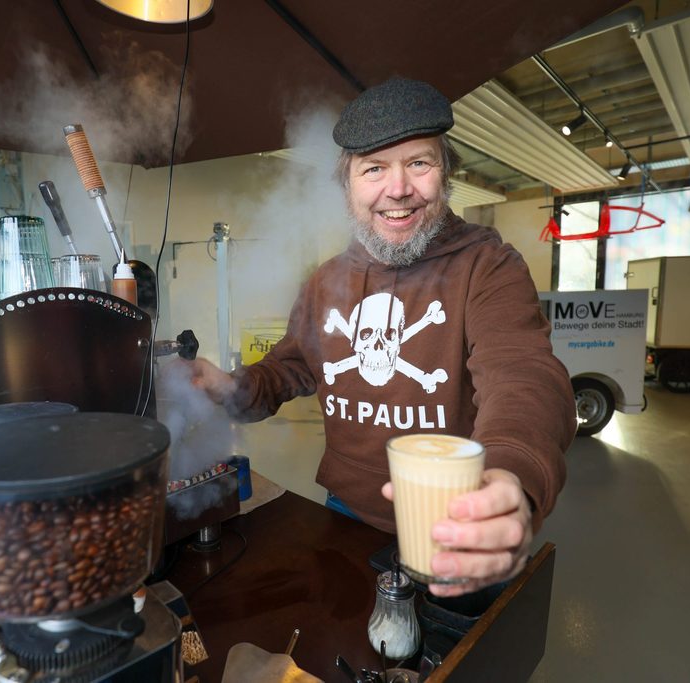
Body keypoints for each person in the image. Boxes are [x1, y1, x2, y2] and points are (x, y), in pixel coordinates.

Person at [188, 78, 575, 597]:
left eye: (419, 163)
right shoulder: (327, 280)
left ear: (447, 173)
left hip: (458, 517)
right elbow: (290, 367)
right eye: (374, 169)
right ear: (347, 188)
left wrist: (510, 475)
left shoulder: (489, 266)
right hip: (344, 512)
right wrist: (230, 389)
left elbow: (523, 374)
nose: (397, 189)